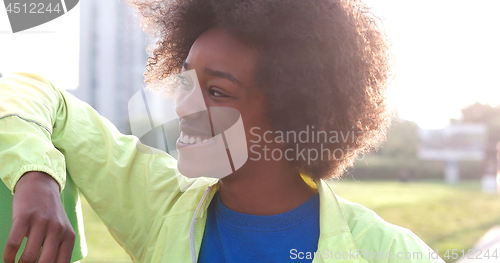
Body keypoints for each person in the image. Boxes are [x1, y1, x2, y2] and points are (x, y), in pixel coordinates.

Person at [0, 0, 444, 262]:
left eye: (217, 91)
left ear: (293, 110)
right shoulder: (160, 204)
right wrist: (35, 177)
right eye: (186, 82)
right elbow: (30, 92)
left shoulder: (388, 253)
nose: (182, 106)